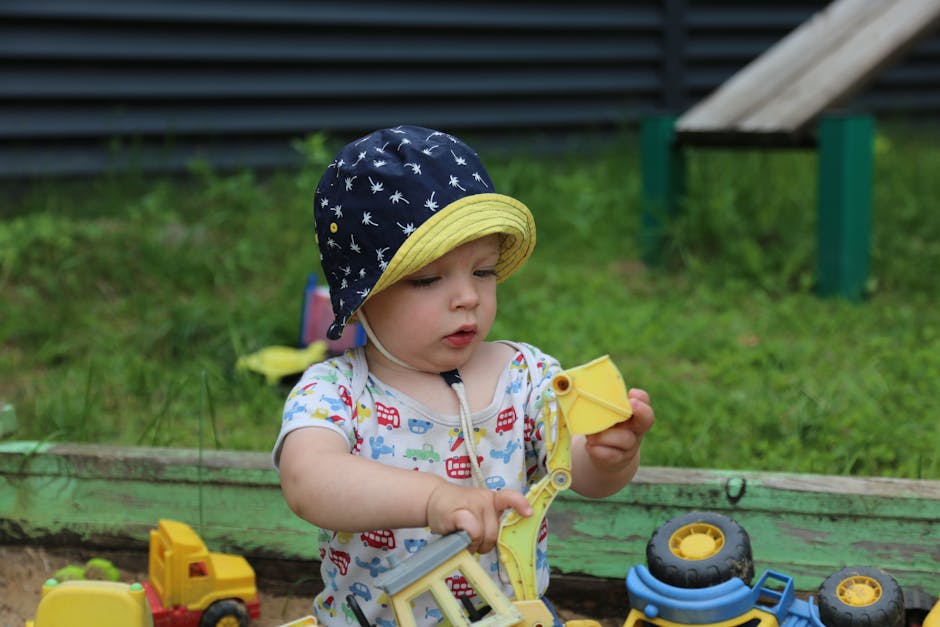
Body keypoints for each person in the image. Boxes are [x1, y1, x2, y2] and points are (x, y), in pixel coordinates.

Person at [273, 125, 654, 626]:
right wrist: (433, 499)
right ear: (361, 301)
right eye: (429, 279)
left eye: (483, 272)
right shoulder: (336, 391)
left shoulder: (526, 376)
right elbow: (308, 480)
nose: (468, 297)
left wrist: (608, 456)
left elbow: (575, 473)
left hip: (512, 615)